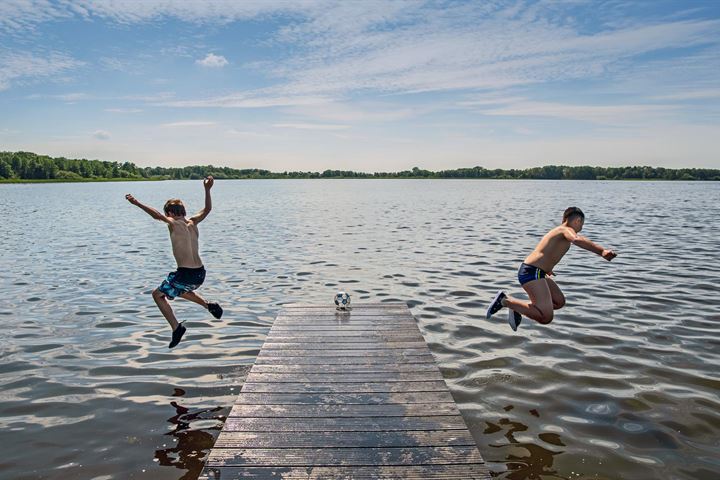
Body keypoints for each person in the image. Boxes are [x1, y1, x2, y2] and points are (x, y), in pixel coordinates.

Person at [125, 176, 223, 348]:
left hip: (185, 273)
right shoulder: (193, 222)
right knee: (179, 290)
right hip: (200, 273)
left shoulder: (172, 223)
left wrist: (137, 203)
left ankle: (176, 328)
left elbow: (156, 215)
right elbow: (207, 209)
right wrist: (208, 190)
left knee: (157, 294)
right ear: (183, 211)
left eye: (166, 214)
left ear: (169, 213)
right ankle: (209, 305)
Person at [486, 207, 617, 331]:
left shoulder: (558, 231)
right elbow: (576, 239)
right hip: (532, 272)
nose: (580, 229)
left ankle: (517, 307)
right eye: (581, 225)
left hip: (537, 271)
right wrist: (602, 251)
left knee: (558, 301)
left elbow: (545, 251)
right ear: (578, 220)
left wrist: (548, 267)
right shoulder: (565, 230)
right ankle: (505, 301)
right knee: (546, 317)